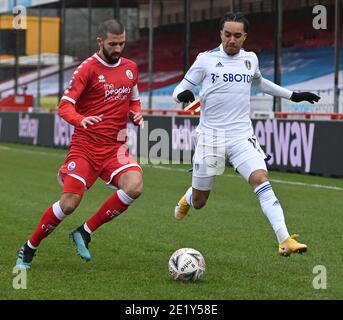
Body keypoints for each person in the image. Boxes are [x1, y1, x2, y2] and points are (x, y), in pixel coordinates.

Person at [173, 12, 320, 257]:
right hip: (211, 139)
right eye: (227, 34)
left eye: (237, 35)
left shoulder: (250, 59)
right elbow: (181, 88)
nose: (232, 39)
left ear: (245, 37)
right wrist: (183, 95)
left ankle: (284, 239)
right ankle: (189, 197)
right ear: (220, 34)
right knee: (200, 202)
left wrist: (293, 96)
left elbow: (260, 83)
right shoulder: (205, 60)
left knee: (261, 179)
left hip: (242, 136)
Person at [15, 19, 144, 269]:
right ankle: (29, 247)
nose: (118, 49)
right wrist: (81, 119)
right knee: (69, 203)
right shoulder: (87, 69)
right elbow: (64, 107)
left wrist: (135, 114)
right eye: (113, 44)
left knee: (135, 186)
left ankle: (84, 232)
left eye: (122, 43)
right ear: (100, 41)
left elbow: (134, 100)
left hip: (114, 149)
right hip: (85, 148)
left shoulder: (131, 68)